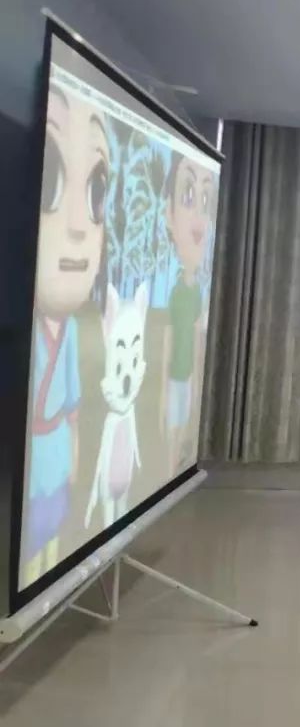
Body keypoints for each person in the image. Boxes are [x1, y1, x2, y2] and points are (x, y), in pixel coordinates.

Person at [23, 86, 109, 587]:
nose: (79, 225)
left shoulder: (71, 330)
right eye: (53, 180)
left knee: (52, 541)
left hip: (58, 457)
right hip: (33, 460)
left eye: (96, 191)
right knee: (30, 542)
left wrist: (75, 457)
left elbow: (74, 404)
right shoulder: (30, 332)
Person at [162, 151, 216, 473]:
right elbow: (171, 334)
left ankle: (176, 467)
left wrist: (195, 374)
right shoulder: (177, 291)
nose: (199, 220)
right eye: (188, 195)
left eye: (206, 200)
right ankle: (170, 465)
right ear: (168, 215)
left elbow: (196, 336)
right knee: (171, 421)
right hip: (174, 375)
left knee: (181, 422)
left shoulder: (197, 291)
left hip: (186, 376)